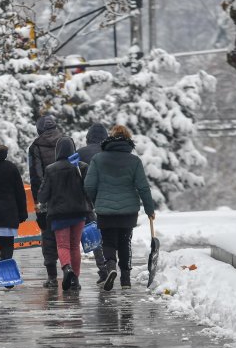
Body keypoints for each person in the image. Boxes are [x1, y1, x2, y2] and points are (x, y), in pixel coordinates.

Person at [83, 124, 156, 290]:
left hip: (104, 209)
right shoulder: (134, 161)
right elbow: (143, 187)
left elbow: (89, 185)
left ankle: (110, 267)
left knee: (107, 241)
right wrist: (149, 209)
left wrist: (96, 200)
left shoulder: (98, 159)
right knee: (125, 241)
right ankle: (126, 280)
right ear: (128, 140)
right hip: (128, 210)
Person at [36, 136, 90, 291]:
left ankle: (67, 268)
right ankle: (76, 281)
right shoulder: (82, 167)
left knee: (63, 245)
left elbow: (42, 196)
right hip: (79, 212)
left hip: (59, 214)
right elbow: (88, 190)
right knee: (74, 246)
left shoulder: (51, 169)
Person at [28, 114, 63, 287]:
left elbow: (36, 177)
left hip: (47, 199)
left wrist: (39, 205)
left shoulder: (35, 147)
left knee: (48, 236)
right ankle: (70, 271)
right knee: (67, 237)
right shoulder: (67, 141)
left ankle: (52, 277)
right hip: (68, 197)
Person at [76, 123, 110, 286]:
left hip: (87, 199)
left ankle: (103, 269)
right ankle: (112, 264)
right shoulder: (110, 152)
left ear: (88, 137)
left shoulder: (80, 153)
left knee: (94, 233)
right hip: (108, 198)